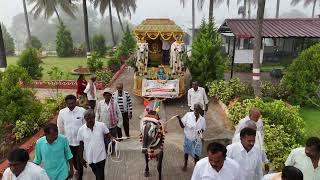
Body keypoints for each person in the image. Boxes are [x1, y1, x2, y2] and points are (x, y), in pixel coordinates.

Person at [77, 109, 112, 180]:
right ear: (85, 119)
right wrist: (81, 158)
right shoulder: (81, 130)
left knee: (100, 176)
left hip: (101, 156)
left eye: (91, 118)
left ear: (94, 117)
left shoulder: (101, 125)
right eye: (87, 119)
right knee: (97, 174)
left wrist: (112, 140)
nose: (89, 120)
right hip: (90, 158)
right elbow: (81, 145)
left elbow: (108, 135)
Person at [57, 95, 86, 180]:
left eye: (72, 103)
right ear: (66, 103)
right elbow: (60, 127)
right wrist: (60, 140)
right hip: (68, 142)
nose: (70, 105)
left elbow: (85, 126)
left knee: (79, 158)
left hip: (80, 142)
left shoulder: (82, 111)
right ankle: (77, 169)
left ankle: (79, 176)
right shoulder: (62, 112)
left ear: (75, 102)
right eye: (68, 104)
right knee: (72, 159)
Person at [176, 103, 206, 171]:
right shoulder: (188, 115)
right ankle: (185, 164)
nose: (195, 110)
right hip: (188, 138)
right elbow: (182, 126)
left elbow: (203, 129)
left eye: (197, 109)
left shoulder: (202, 120)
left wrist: (199, 133)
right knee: (186, 152)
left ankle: (196, 168)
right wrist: (179, 119)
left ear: (201, 111)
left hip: (197, 139)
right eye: (195, 109)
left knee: (197, 155)